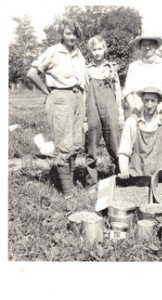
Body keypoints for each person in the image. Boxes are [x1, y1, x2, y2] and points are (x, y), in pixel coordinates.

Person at [27, 19, 89, 199]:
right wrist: (48, 92)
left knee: (76, 143)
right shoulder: (53, 51)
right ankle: (68, 193)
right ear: (62, 34)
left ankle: (69, 185)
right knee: (64, 145)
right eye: (68, 33)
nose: (72, 37)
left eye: (75, 34)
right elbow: (31, 73)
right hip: (61, 97)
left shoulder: (78, 54)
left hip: (78, 98)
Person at [85, 35, 124, 185]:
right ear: (90, 51)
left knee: (115, 144)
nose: (97, 52)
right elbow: (84, 94)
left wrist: (120, 115)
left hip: (110, 109)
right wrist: (84, 119)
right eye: (94, 49)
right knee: (91, 146)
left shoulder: (112, 69)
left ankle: (120, 178)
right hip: (92, 109)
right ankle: (91, 182)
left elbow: (118, 93)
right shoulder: (87, 70)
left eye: (100, 48)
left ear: (105, 49)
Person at [118, 86, 162, 178]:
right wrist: (124, 170)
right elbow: (124, 150)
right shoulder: (132, 122)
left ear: (159, 102)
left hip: (160, 174)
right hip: (136, 174)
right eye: (146, 100)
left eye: (153, 101)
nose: (149, 105)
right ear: (142, 101)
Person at [123, 34, 162, 118]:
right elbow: (127, 90)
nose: (147, 47)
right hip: (138, 112)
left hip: (159, 112)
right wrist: (133, 108)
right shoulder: (133, 66)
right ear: (140, 47)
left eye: (150, 44)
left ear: (155, 46)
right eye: (144, 45)